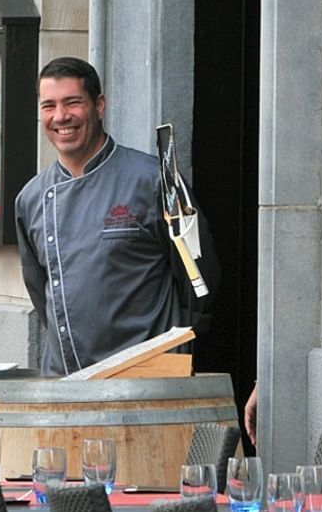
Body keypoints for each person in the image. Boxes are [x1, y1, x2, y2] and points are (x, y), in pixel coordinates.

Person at [15, 56, 220, 376]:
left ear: (99, 106)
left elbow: (199, 283)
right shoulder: (31, 199)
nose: (60, 116)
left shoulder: (154, 181)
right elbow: (42, 296)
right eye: (49, 105)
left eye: (72, 102)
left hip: (147, 381)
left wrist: (169, 355)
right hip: (65, 382)